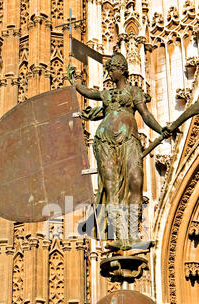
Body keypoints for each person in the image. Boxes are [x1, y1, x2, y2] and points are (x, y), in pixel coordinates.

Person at [67, 53, 172, 251]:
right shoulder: (107, 95)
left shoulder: (134, 91)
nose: (109, 73)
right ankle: (119, 235)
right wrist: (75, 80)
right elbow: (87, 92)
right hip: (105, 141)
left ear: (121, 69)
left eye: (112, 69)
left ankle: (133, 235)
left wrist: (161, 130)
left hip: (129, 140)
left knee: (135, 182)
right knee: (111, 186)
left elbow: (146, 115)